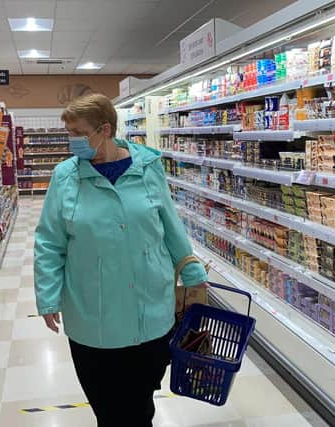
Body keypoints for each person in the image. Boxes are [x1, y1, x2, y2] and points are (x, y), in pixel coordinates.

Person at [34, 93, 208, 427]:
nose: (72, 141)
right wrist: (48, 296)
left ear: (105, 129)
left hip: (152, 312)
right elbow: (49, 242)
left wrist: (194, 275)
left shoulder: (149, 168)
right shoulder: (65, 177)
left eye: (78, 133)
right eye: (68, 133)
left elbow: (170, 225)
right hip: (94, 319)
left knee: (140, 404)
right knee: (111, 410)